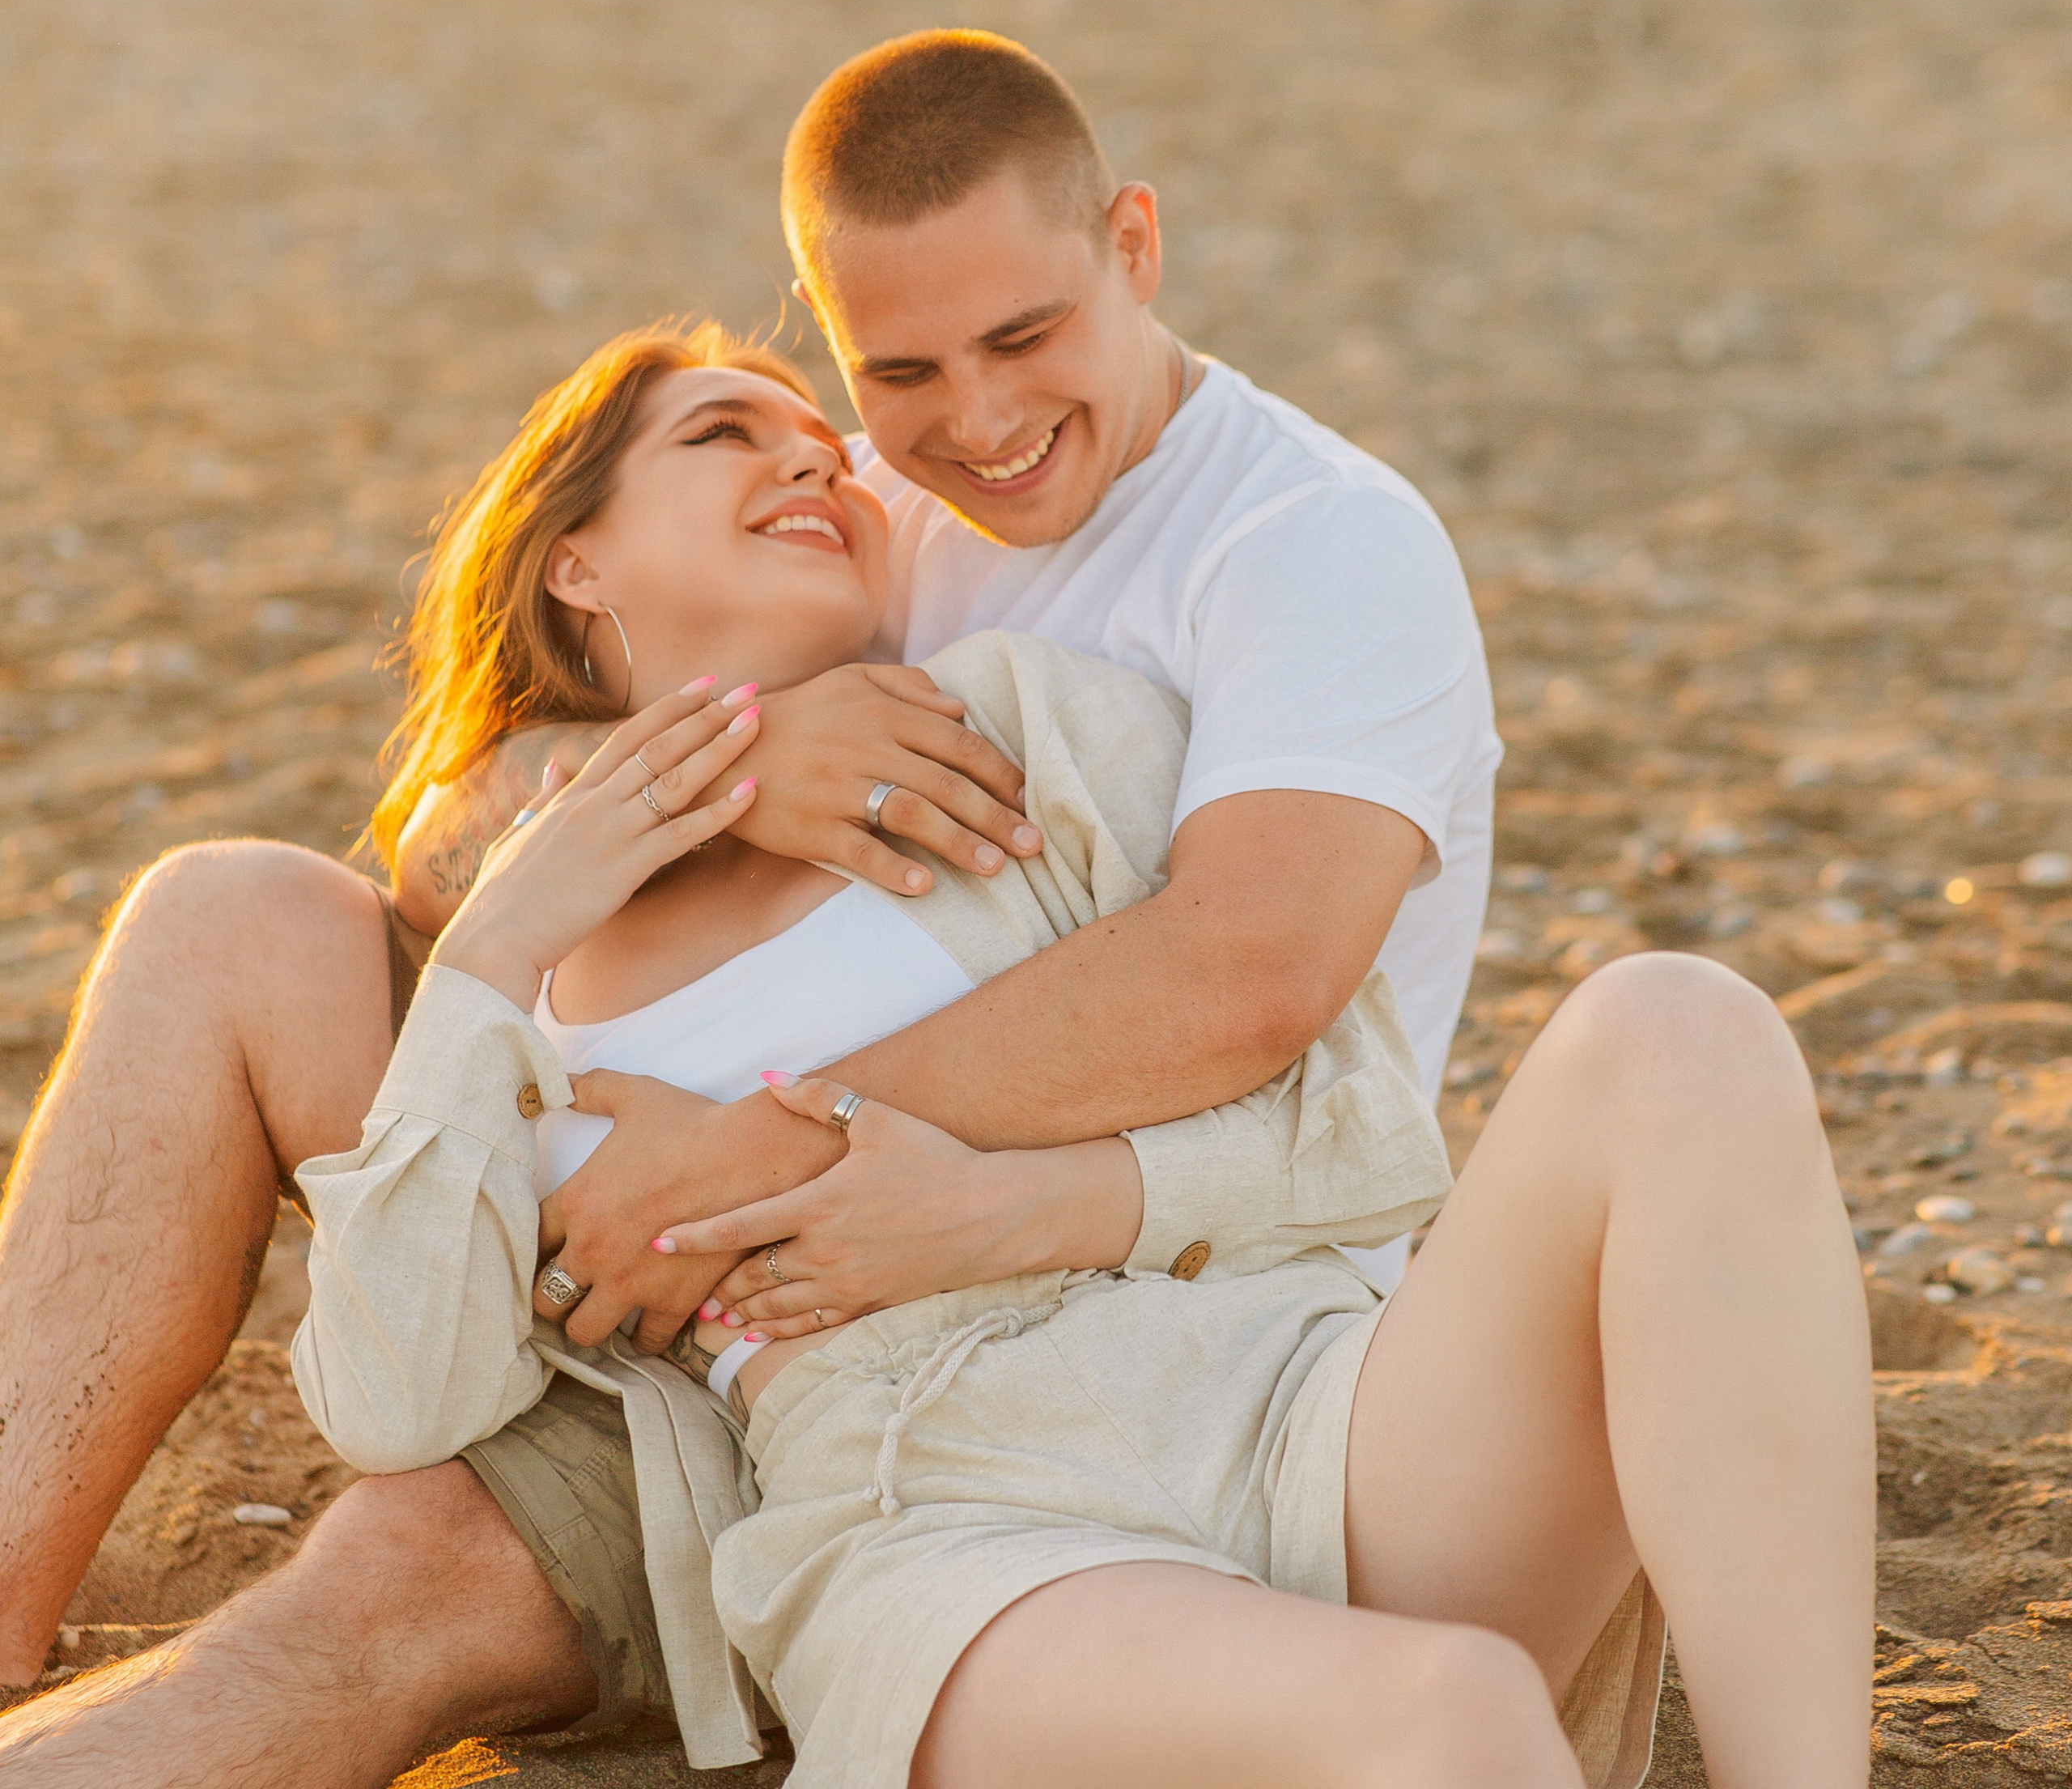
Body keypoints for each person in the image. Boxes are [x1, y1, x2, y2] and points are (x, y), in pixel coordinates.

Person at [0, 314, 1872, 1789]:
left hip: (1303, 1421)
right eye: (727, 436)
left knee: (1676, 1024)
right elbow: (406, 1389)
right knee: (1453, 1715)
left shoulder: (1032, 735)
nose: (811, 460)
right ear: (574, 558)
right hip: (941, 1502)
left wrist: (992, 1197)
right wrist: (521, 915)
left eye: (824, 450)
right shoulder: (505, 956)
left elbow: (1362, 1134)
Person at [0, 28, 1490, 1689]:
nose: (977, 421)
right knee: (219, 910)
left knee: (377, 1587)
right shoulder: (871, 503)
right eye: (898, 374)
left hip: (1021, 1307)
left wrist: (738, 1159)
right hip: (608, 1238)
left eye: (1026, 334)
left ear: (1131, 246)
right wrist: (719, 763)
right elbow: (437, 836)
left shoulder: (1295, 542)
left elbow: (1246, 981)